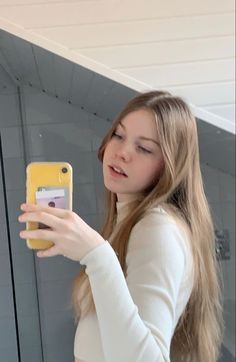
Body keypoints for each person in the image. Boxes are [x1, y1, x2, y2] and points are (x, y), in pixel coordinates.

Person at [18, 90, 223, 362]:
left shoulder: (157, 228)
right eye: (119, 135)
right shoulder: (132, 221)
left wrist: (96, 255)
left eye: (144, 148)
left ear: (170, 166)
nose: (123, 152)